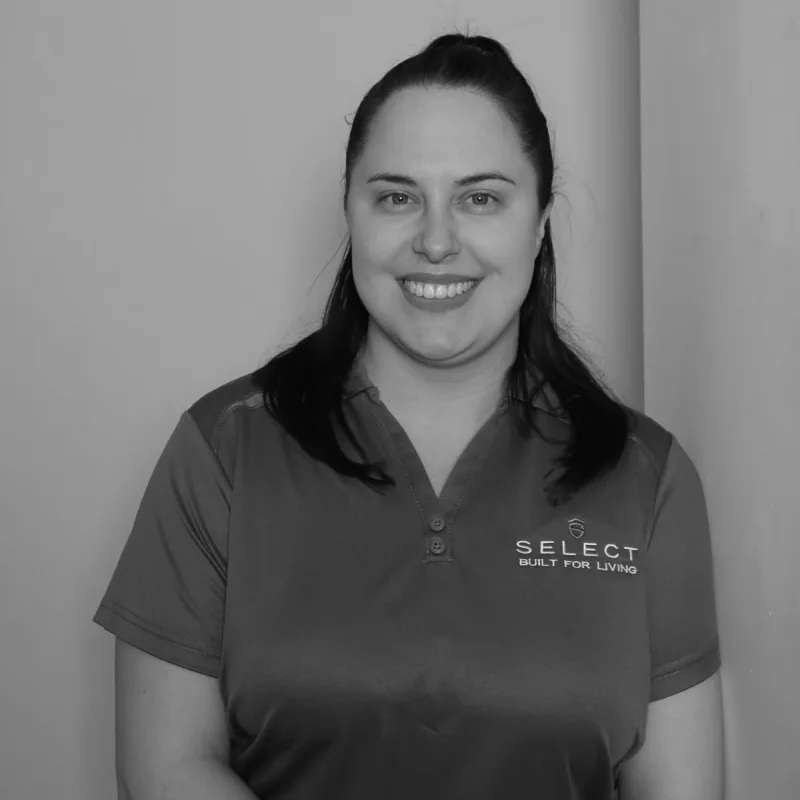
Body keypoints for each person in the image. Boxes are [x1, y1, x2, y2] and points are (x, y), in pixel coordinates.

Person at [93, 31, 724, 800]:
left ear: (540, 220)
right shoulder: (222, 450)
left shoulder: (646, 479)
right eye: (397, 196)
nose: (434, 241)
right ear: (351, 212)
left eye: (480, 198)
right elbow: (165, 770)